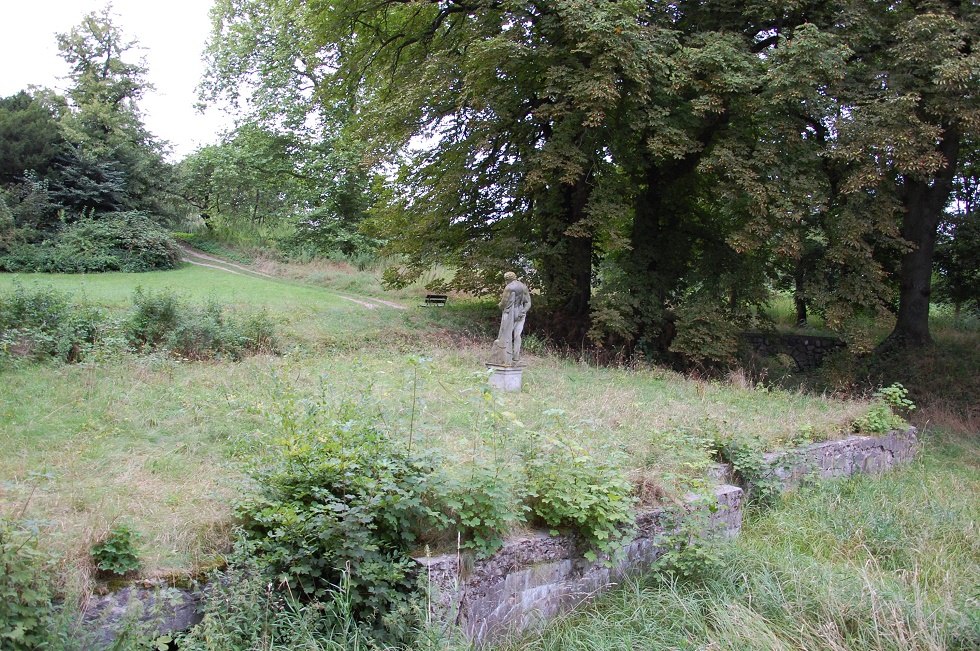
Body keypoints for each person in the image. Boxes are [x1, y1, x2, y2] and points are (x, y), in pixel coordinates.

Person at [491, 271, 531, 365]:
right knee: (517, 335)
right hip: (521, 311)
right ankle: (516, 356)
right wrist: (524, 311)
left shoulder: (509, 287)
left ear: (507, 279)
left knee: (505, 334)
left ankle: (504, 355)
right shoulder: (523, 286)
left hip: (510, 313)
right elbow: (528, 302)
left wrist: (499, 305)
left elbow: (503, 303)